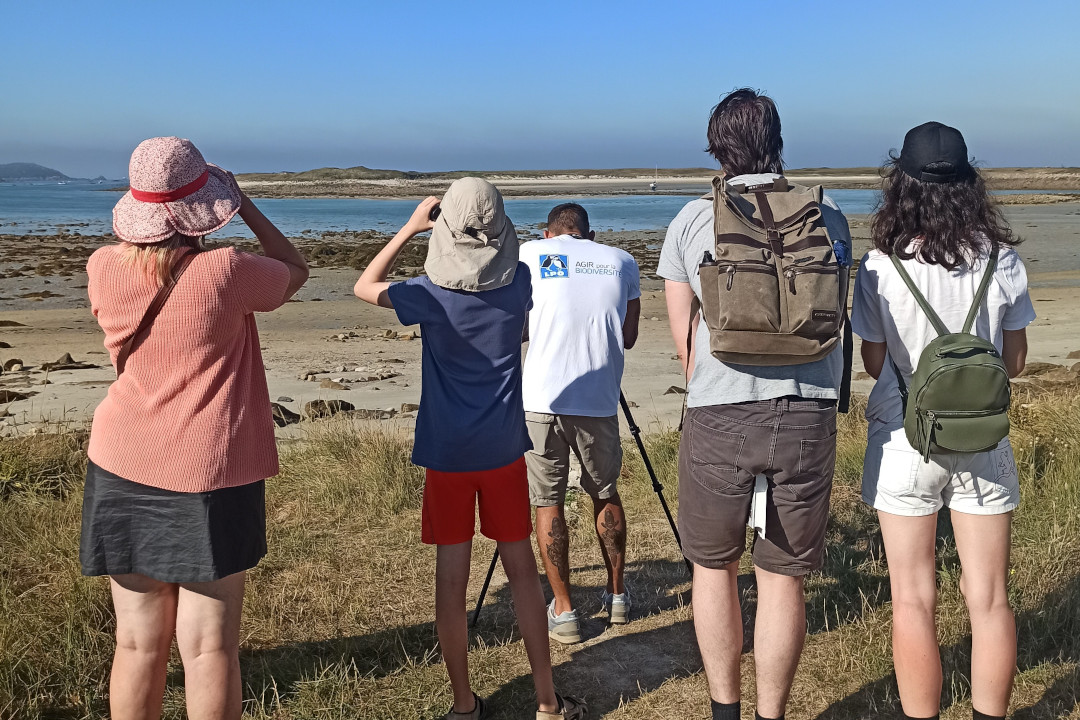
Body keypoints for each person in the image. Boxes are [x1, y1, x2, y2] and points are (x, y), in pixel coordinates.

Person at [81, 136, 309, 719]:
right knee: (208, 648)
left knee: (135, 641)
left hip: (119, 459)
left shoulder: (102, 266)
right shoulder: (225, 271)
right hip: (206, 468)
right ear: (200, 208)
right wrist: (244, 204)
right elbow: (295, 270)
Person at [353, 177, 585, 720]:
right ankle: (547, 702)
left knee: (450, 581)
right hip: (504, 449)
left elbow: (366, 284)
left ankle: (463, 704)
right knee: (523, 574)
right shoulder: (519, 281)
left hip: (447, 455)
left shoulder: (427, 296)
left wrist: (412, 227)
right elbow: (514, 284)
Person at [657, 89, 852, 720]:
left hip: (720, 409)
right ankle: (772, 714)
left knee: (713, 569)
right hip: (808, 410)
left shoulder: (692, 220)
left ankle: (725, 711)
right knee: (783, 575)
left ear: (717, 147)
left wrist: (709, 390)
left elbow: (683, 336)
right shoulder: (830, 217)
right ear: (778, 142)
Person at [851, 122, 1032, 720]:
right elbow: (1015, 362)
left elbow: (874, 362)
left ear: (899, 185)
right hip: (983, 438)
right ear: (969, 184)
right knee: (989, 600)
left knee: (912, 601)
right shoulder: (1002, 261)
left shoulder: (880, 266)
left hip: (904, 437)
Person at [519, 203, 641, 643]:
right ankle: (618, 595)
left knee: (547, 502)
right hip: (598, 399)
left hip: (539, 400)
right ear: (590, 235)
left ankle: (566, 612)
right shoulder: (622, 261)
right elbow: (628, 336)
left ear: (547, 233)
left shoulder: (528, 254)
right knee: (604, 492)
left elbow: (516, 326)